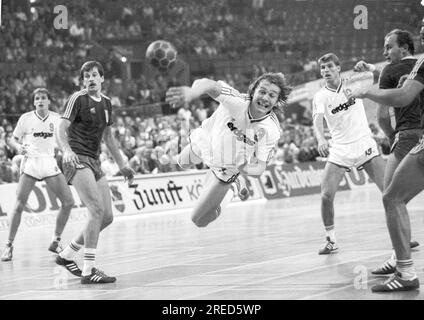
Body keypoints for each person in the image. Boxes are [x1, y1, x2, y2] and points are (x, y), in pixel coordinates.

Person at [349, 22, 424, 292]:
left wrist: (366, 90)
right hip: (418, 135)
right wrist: (371, 68)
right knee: (395, 200)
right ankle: (399, 259)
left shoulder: (400, 69)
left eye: (388, 46)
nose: (385, 51)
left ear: (403, 47)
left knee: (392, 199)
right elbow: (398, 73)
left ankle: (403, 267)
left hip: (406, 136)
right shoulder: (413, 65)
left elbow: (387, 110)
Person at [165, 73, 291, 227]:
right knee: (181, 163)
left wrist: (244, 169)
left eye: (272, 95)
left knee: (199, 220)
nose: (265, 98)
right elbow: (206, 83)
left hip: (228, 168)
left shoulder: (271, 130)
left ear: (277, 101)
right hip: (207, 141)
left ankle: (233, 187)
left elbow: (259, 169)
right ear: (253, 91)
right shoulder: (237, 101)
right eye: (262, 91)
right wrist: (192, 93)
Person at [55, 61, 135, 284]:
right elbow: (60, 129)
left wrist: (122, 164)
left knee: (107, 216)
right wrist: (66, 150)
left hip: (94, 160)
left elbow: (108, 138)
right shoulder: (78, 99)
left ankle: (67, 255)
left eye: (94, 75)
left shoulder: (108, 103)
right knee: (96, 210)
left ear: (102, 79)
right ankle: (88, 271)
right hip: (76, 158)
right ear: (83, 81)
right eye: (86, 76)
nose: (90, 79)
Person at [312, 53, 386, 255]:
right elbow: (317, 121)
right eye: (322, 68)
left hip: (364, 144)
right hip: (340, 149)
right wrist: (320, 139)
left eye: (329, 66)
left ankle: (403, 235)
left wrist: (369, 66)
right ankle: (331, 240)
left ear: (338, 67)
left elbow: (386, 78)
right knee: (326, 195)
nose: (325, 71)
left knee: (390, 192)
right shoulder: (320, 96)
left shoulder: (355, 82)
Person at [1, 88, 75, 262]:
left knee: (69, 202)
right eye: (37, 98)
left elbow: (64, 139)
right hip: (31, 163)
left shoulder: (57, 119)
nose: (40, 100)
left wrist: (66, 150)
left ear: (49, 101)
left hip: (49, 163)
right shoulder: (25, 119)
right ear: (34, 102)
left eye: (43, 98)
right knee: (19, 205)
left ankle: (56, 240)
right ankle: (9, 245)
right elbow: (11, 139)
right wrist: (18, 148)